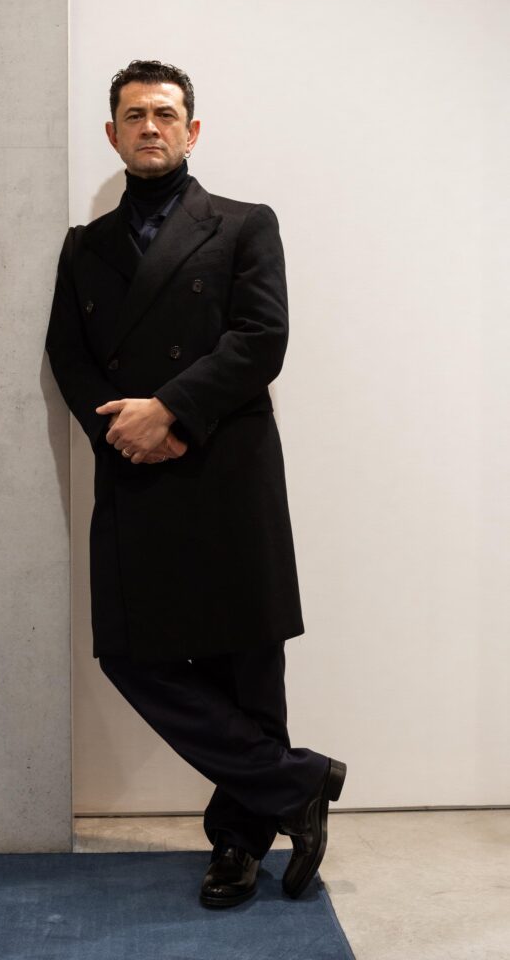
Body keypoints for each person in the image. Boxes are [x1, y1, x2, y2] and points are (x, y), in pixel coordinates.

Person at [45, 59, 346, 907]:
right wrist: (123, 431)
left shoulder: (244, 224)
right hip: (133, 470)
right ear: (112, 134)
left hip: (225, 468)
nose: (151, 126)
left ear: (192, 130)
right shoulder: (85, 246)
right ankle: (295, 785)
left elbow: (260, 338)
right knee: (128, 654)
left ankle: (238, 846)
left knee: (245, 663)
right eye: (134, 115)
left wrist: (171, 411)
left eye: (166, 113)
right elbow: (68, 352)